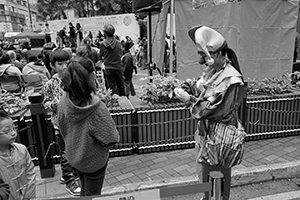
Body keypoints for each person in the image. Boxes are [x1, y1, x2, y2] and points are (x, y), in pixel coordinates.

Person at [174, 25, 246, 200]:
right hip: (207, 134)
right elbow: (200, 86)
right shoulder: (215, 71)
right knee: (205, 170)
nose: (203, 62)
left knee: (219, 173)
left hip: (221, 136)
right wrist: (185, 87)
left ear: (219, 54)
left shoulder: (231, 79)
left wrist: (189, 100)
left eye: (206, 57)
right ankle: (208, 196)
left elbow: (213, 109)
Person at [58, 56, 120, 196]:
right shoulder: (96, 109)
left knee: (85, 190)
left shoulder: (64, 101)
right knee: (92, 194)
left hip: (74, 156)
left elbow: (61, 126)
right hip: (93, 161)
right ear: (91, 76)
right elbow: (111, 138)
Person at [41, 49, 81, 196]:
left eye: (67, 63)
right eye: (60, 64)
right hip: (60, 124)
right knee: (65, 153)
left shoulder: (74, 78)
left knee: (75, 150)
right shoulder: (50, 84)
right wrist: (55, 104)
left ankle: (71, 175)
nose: (64, 66)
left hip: (75, 122)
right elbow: (45, 105)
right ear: (52, 65)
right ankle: (70, 181)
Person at [0, 110, 36, 200]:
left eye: (14, 128)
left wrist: (29, 195)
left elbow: (30, 172)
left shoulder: (21, 149)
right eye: (7, 131)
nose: (13, 133)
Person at [99, 24, 126, 96]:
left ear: (105, 34)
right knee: (121, 86)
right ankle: (124, 101)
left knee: (110, 88)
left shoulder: (102, 44)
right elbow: (120, 53)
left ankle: (113, 103)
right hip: (118, 67)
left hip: (108, 68)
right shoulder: (119, 43)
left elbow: (100, 56)